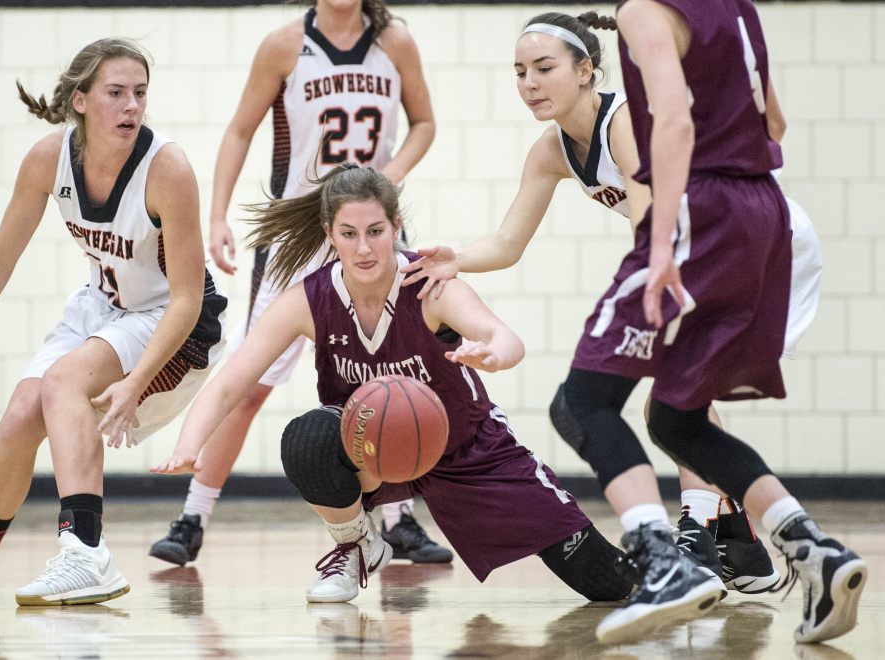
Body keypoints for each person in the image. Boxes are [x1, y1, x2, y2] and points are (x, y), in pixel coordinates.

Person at [406, 4, 862, 645]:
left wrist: (658, 260)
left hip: (702, 232)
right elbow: (509, 241)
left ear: (588, 69)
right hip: (768, 227)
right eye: (518, 72)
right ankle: (792, 549)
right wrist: (456, 255)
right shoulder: (553, 150)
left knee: (583, 404)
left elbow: (660, 193)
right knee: (677, 411)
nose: (530, 83)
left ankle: (680, 550)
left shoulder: (624, 116)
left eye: (544, 68)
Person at [152, 164, 636, 605]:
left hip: (467, 450)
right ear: (330, 235)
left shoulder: (429, 286)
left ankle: (685, 568)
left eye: (376, 231)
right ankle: (358, 544)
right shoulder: (308, 299)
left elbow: (502, 336)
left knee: (607, 583)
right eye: (349, 234)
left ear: (396, 228)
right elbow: (229, 384)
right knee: (309, 437)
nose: (364, 248)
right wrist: (189, 443)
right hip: (375, 453)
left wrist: (494, 354)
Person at [0, 38, 227, 606]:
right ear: (80, 101)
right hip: (103, 307)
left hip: (175, 320)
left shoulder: (167, 167)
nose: (132, 106)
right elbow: (0, 257)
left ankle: (86, 553)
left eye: (140, 94)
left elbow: (183, 299)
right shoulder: (47, 159)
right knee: (22, 411)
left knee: (63, 383)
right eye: (116, 93)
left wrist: (134, 380)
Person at [149, 0, 450, 568]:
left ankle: (400, 521)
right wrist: (217, 217)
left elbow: (425, 122)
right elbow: (240, 130)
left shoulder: (396, 43)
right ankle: (192, 516)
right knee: (251, 380)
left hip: (370, 230)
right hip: (297, 234)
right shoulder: (284, 44)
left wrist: (390, 175)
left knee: (390, 378)